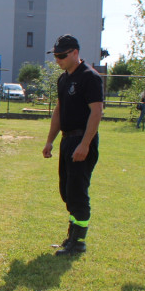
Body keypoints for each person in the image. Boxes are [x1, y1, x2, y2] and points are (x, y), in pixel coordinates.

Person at [42, 34, 104, 255]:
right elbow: (59, 110)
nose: (57, 59)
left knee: (78, 191)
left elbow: (96, 112)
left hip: (82, 140)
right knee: (67, 191)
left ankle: (79, 242)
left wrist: (85, 144)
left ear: (75, 53)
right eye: (55, 55)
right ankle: (72, 237)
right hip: (68, 140)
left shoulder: (90, 77)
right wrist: (50, 140)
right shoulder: (63, 79)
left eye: (61, 55)